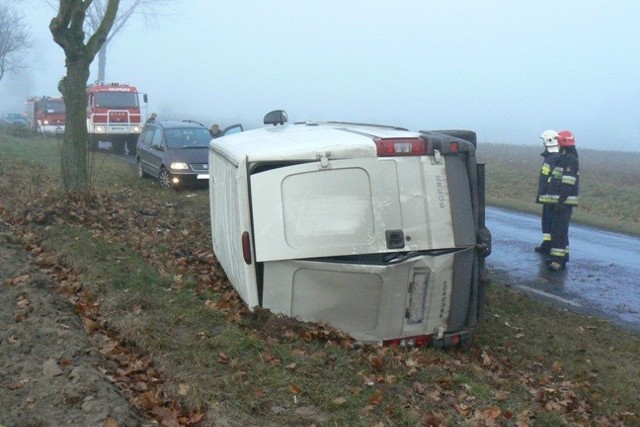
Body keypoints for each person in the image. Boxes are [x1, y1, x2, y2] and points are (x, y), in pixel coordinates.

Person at [544, 130, 579, 271]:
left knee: (559, 231)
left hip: (563, 203)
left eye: (559, 141)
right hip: (558, 202)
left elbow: (568, 183)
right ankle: (562, 257)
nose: (557, 143)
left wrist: (560, 202)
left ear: (563, 142)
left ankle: (557, 260)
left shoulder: (570, 160)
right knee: (557, 231)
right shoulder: (564, 158)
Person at [534, 130, 561, 254]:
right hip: (547, 195)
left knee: (551, 220)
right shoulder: (551, 157)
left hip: (551, 196)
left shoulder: (554, 158)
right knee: (546, 220)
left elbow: (553, 179)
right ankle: (546, 243)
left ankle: (551, 246)